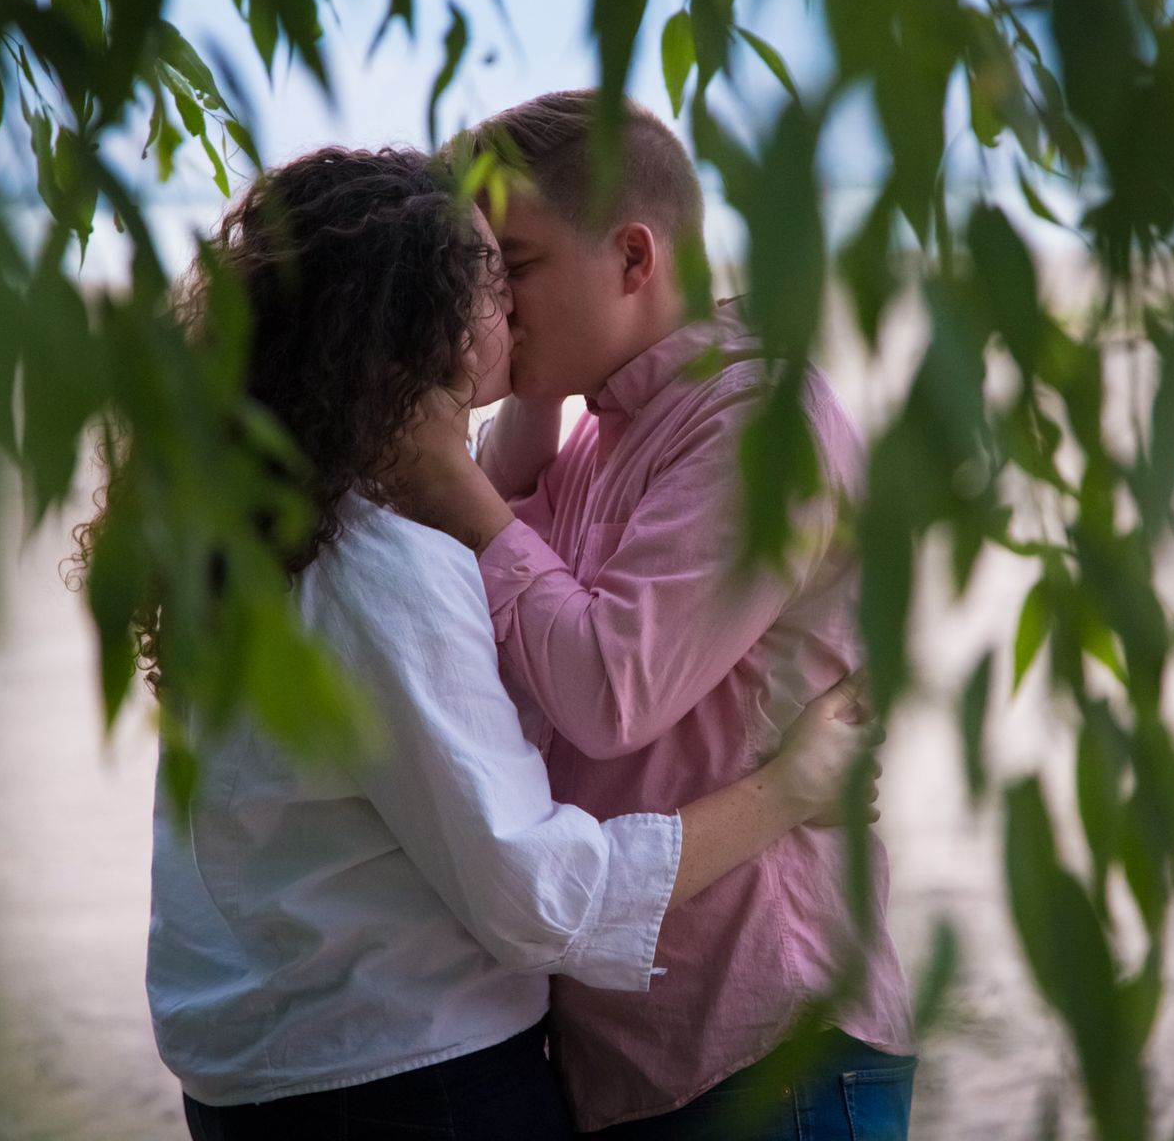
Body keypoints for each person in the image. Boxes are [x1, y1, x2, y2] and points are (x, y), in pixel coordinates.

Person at [77, 146, 876, 1141]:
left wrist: (520, 403)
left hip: (267, 1066)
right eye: (493, 278)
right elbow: (537, 889)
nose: (513, 306)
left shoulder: (255, 533)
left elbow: (503, 532)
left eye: (519, 267)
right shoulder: (388, 565)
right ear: (429, 322)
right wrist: (786, 793)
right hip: (404, 1072)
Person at [393, 92, 916, 1138]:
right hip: (631, 1062)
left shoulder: (755, 423)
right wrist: (525, 389)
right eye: (479, 274)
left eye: (517, 268)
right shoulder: (596, 436)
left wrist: (456, 481)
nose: (490, 302)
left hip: (765, 1048)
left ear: (635, 259)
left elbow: (608, 688)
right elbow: (467, 581)